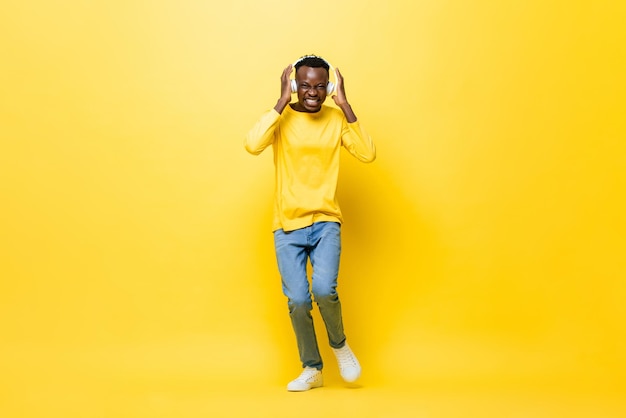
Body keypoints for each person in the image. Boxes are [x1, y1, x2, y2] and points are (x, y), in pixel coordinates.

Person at [244, 55, 376, 391]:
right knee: (299, 300)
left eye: (320, 86)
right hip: (287, 224)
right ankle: (312, 368)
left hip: (326, 220)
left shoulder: (335, 119)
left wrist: (345, 105)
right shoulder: (282, 118)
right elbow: (252, 144)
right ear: (294, 85)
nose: (312, 92)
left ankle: (340, 345)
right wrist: (279, 103)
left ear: (329, 87)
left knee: (323, 290)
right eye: (304, 85)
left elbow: (367, 153)